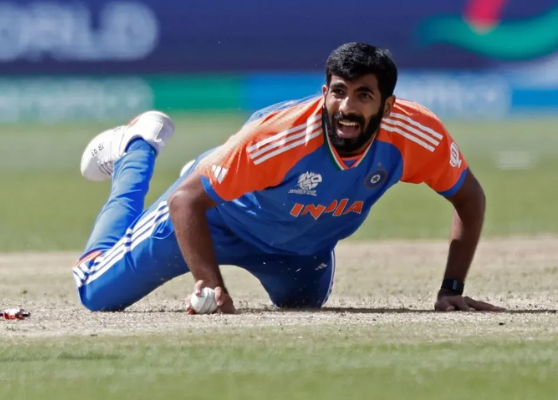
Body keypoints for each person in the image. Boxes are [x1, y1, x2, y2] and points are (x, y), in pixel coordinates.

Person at [72, 42, 505, 314]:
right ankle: (136, 148)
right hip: (215, 218)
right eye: (338, 92)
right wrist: (209, 283)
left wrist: (451, 288)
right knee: (95, 292)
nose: (346, 108)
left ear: (388, 106)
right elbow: (186, 201)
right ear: (324, 93)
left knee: (303, 305)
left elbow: (469, 197)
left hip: (298, 251)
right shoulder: (278, 138)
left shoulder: (416, 135)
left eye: (363, 95)